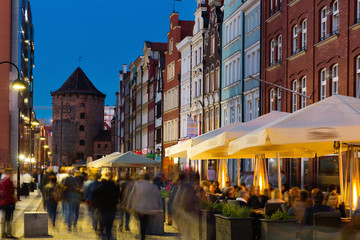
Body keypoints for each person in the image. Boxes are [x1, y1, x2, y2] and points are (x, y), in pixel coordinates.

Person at [129, 173, 162, 240]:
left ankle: (143, 234)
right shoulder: (155, 185)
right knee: (145, 222)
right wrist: (160, 206)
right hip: (149, 208)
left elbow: (132, 195)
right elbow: (161, 196)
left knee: (142, 223)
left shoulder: (138, 184)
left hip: (139, 207)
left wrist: (131, 205)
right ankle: (144, 234)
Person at [93, 173, 119, 240]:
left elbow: (94, 194)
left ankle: (103, 236)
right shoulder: (114, 189)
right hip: (112, 209)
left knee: (102, 225)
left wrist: (97, 203)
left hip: (103, 209)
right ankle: (108, 235)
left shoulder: (101, 188)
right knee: (109, 226)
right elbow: (118, 198)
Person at [0, 168, 17, 238]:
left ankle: (4, 233)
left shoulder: (3, 181)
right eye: (11, 173)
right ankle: (8, 233)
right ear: (7, 173)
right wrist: (13, 197)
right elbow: (4, 193)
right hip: (8, 202)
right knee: (8, 218)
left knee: (5, 218)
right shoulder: (7, 181)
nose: (12, 174)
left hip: (4, 203)